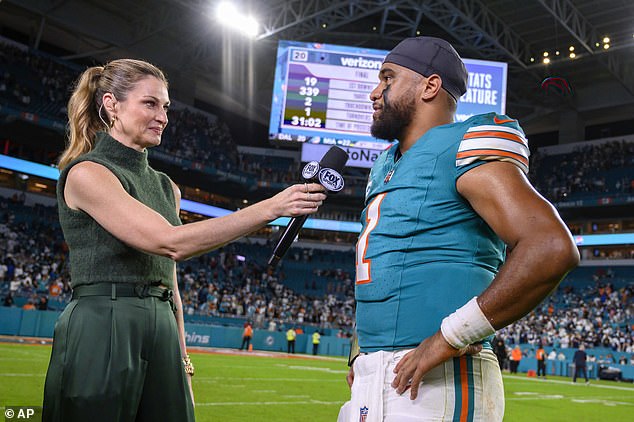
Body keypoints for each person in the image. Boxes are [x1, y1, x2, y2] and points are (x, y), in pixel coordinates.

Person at [42, 59, 326, 422]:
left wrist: (183, 360)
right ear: (111, 105)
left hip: (161, 323)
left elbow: (169, 282)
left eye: (165, 106)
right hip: (103, 321)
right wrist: (269, 208)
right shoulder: (87, 173)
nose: (162, 115)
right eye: (150, 103)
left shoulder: (166, 186)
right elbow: (169, 242)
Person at [339, 36, 579, 422]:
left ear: (429, 86)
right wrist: (361, 349)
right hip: (378, 374)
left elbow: (550, 246)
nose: (374, 92)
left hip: (438, 382)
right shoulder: (386, 164)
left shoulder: (465, 141)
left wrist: (451, 335)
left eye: (387, 78)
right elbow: (387, 266)